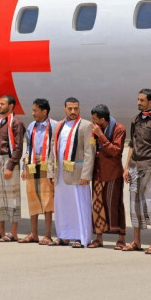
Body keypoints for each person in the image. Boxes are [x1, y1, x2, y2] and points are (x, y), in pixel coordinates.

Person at [123, 89, 151, 254]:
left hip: (150, 166)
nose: (138, 103)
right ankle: (136, 241)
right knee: (135, 204)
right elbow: (131, 145)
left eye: (142, 100)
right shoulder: (135, 119)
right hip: (135, 165)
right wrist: (126, 167)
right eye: (138, 99)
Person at [49, 97, 95, 248]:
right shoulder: (58, 126)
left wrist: (86, 175)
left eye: (76, 108)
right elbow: (52, 150)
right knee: (62, 205)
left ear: (79, 108)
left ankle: (80, 237)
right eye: (70, 109)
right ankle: (64, 236)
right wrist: (51, 172)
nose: (73, 111)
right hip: (61, 173)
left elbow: (90, 152)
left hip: (78, 174)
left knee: (79, 205)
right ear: (65, 109)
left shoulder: (86, 126)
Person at [0, 95, 25, 242]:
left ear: (11, 106)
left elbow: (18, 146)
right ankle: (1, 230)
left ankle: (13, 232)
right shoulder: (0, 122)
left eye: (2, 104)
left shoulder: (16, 122)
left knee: (12, 198)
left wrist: (10, 165)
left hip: (8, 162)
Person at [89, 104, 127, 249]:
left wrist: (101, 136)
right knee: (98, 205)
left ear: (103, 120)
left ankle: (121, 238)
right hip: (98, 172)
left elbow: (115, 151)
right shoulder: (95, 129)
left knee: (114, 204)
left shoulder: (119, 129)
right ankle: (98, 238)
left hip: (112, 173)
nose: (93, 122)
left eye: (95, 120)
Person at [20, 98, 57, 245]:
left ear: (44, 111)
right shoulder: (31, 126)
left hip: (46, 163)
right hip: (32, 164)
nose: (32, 113)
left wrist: (53, 170)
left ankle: (47, 234)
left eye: (35, 110)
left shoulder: (54, 126)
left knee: (48, 200)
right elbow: (28, 147)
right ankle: (33, 233)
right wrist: (24, 167)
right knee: (32, 197)